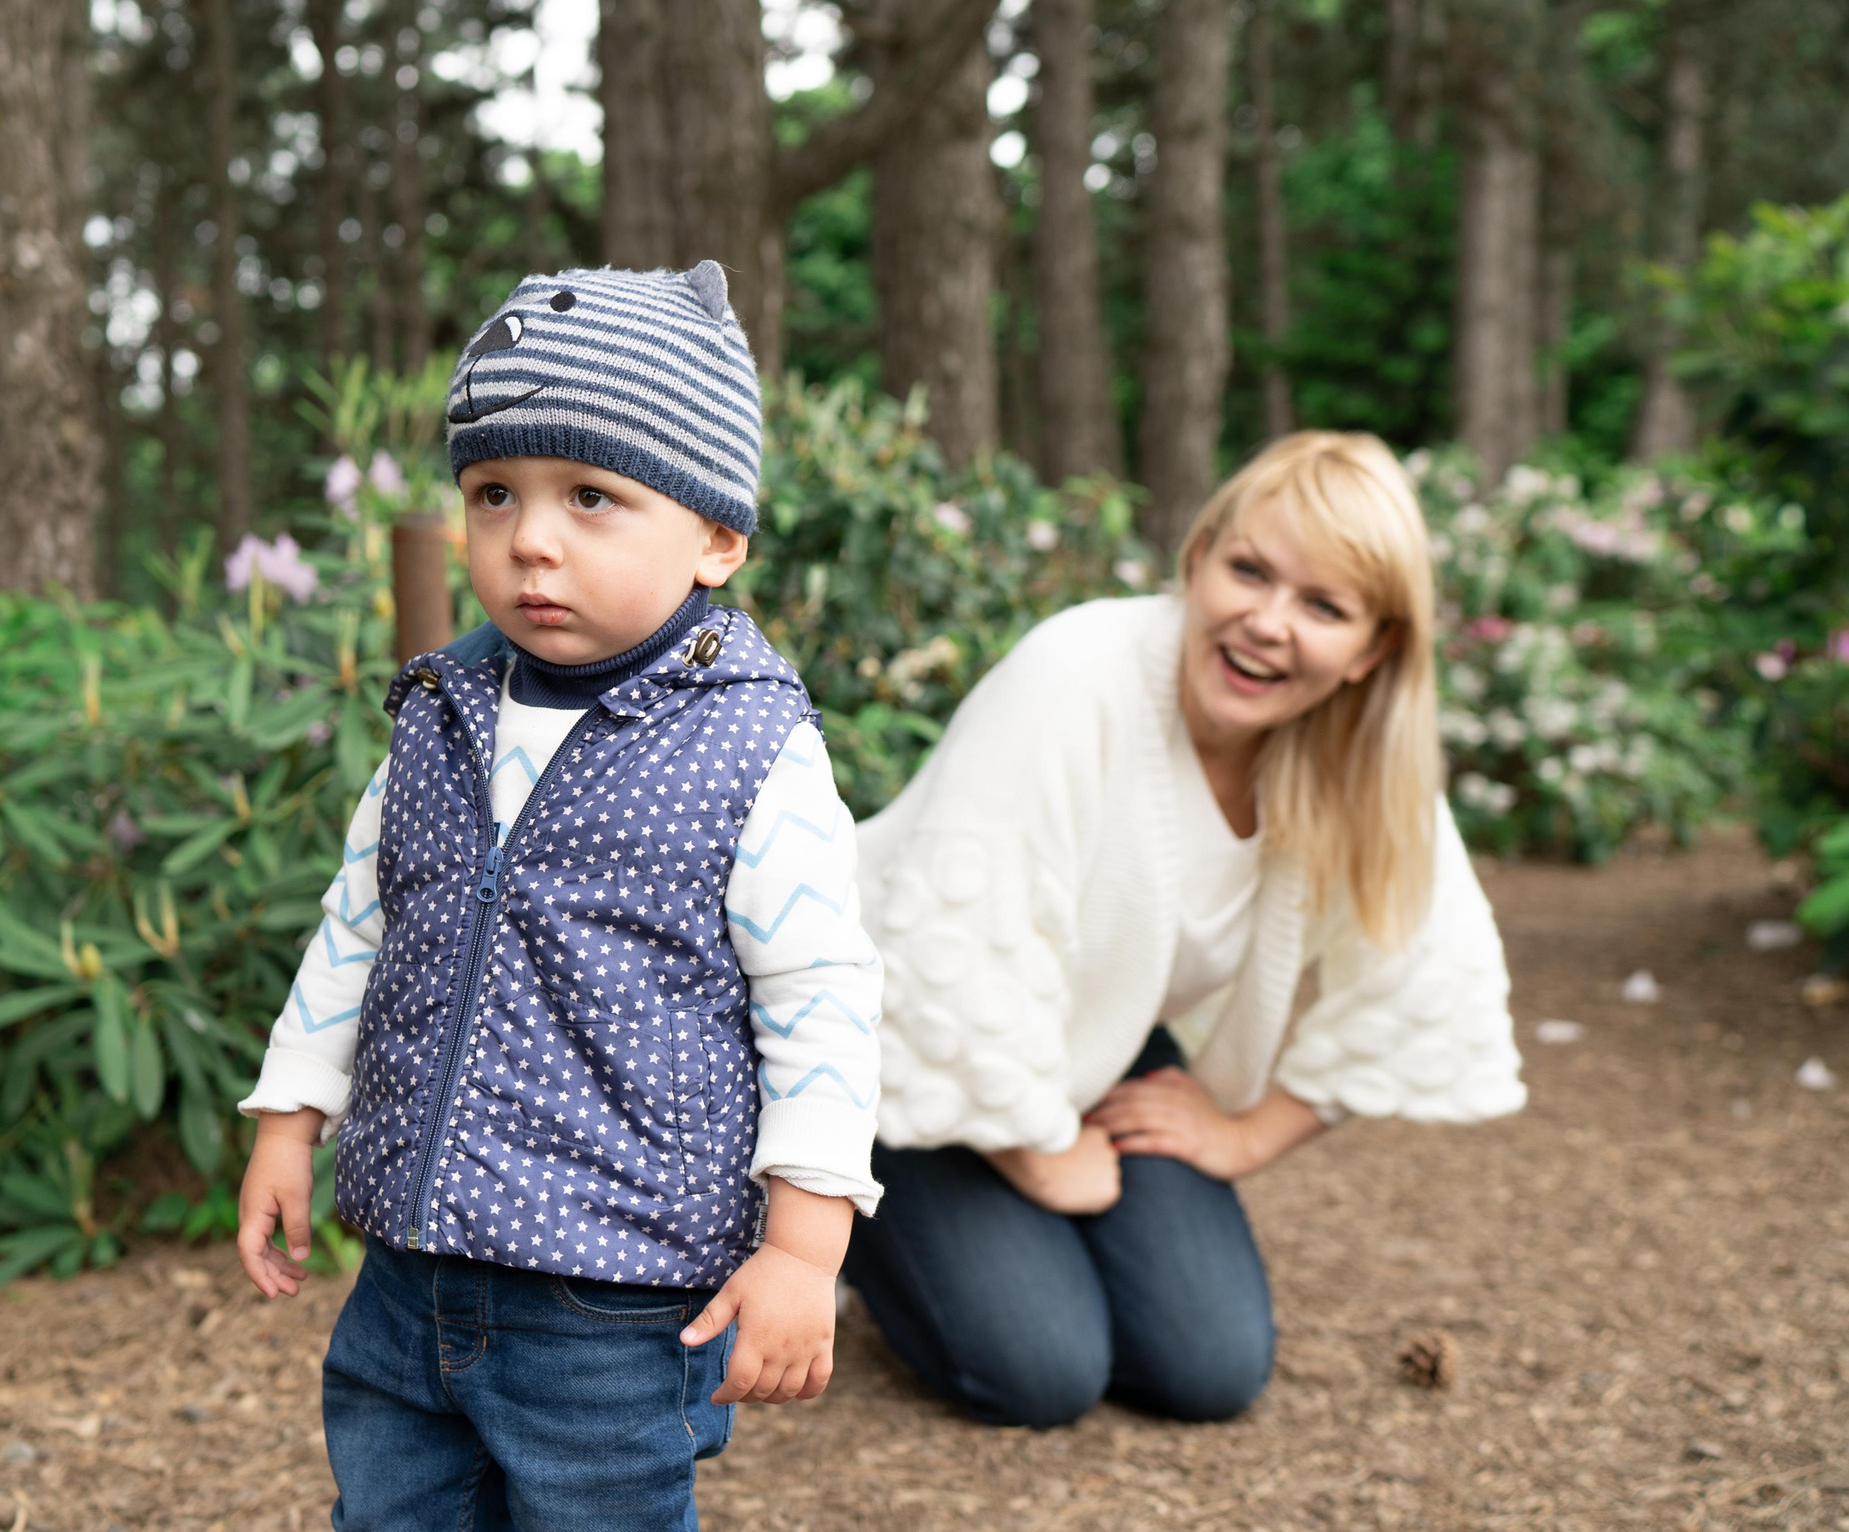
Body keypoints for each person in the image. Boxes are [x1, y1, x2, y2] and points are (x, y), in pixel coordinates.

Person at [235, 261, 884, 1531]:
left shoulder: (750, 750)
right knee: (392, 1507)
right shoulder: (440, 713)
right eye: (495, 493)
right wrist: (289, 1116)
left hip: (616, 1294)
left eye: (592, 495)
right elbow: (358, 924)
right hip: (409, 1268)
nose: (530, 538)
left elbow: (818, 998)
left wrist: (806, 1246)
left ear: (716, 537)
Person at [843, 431, 1525, 1430]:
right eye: (1249, 570)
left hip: (1095, 1042)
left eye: (1323, 607)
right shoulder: (1076, 674)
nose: (1267, 623)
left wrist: (1247, 1134)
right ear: (1198, 557)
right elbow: (948, 957)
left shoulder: (1357, 756)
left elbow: (1430, 981)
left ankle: (996, 1237)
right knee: (1042, 1370)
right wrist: (1038, 1157)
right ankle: (847, 1219)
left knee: (1208, 1367)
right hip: (891, 1041)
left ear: (1372, 649)